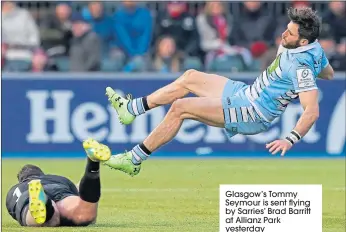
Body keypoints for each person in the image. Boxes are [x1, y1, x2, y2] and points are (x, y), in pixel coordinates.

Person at [100, 7, 334, 176]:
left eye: (290, 34)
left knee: (181, 108)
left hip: (253, 112)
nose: (283, 35)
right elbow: (329, 73)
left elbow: (311, 111)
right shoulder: (313, 48)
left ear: (303, 43)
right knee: (190, 77)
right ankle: (132, 109)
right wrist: (313, 70)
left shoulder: (301, 65)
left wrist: (290, 139)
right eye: (286, 29)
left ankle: (134, 159)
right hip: (247, 93)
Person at [5, 139, 110, 227]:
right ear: (41, 174)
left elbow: (15, 210)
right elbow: (79, 191)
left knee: (47, 220)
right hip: (59, 190)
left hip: (26, 196)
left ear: (22, 180)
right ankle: (93, 164)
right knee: (85, 214)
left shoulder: (15, 190)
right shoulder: (57, 178)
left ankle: (45, 204)